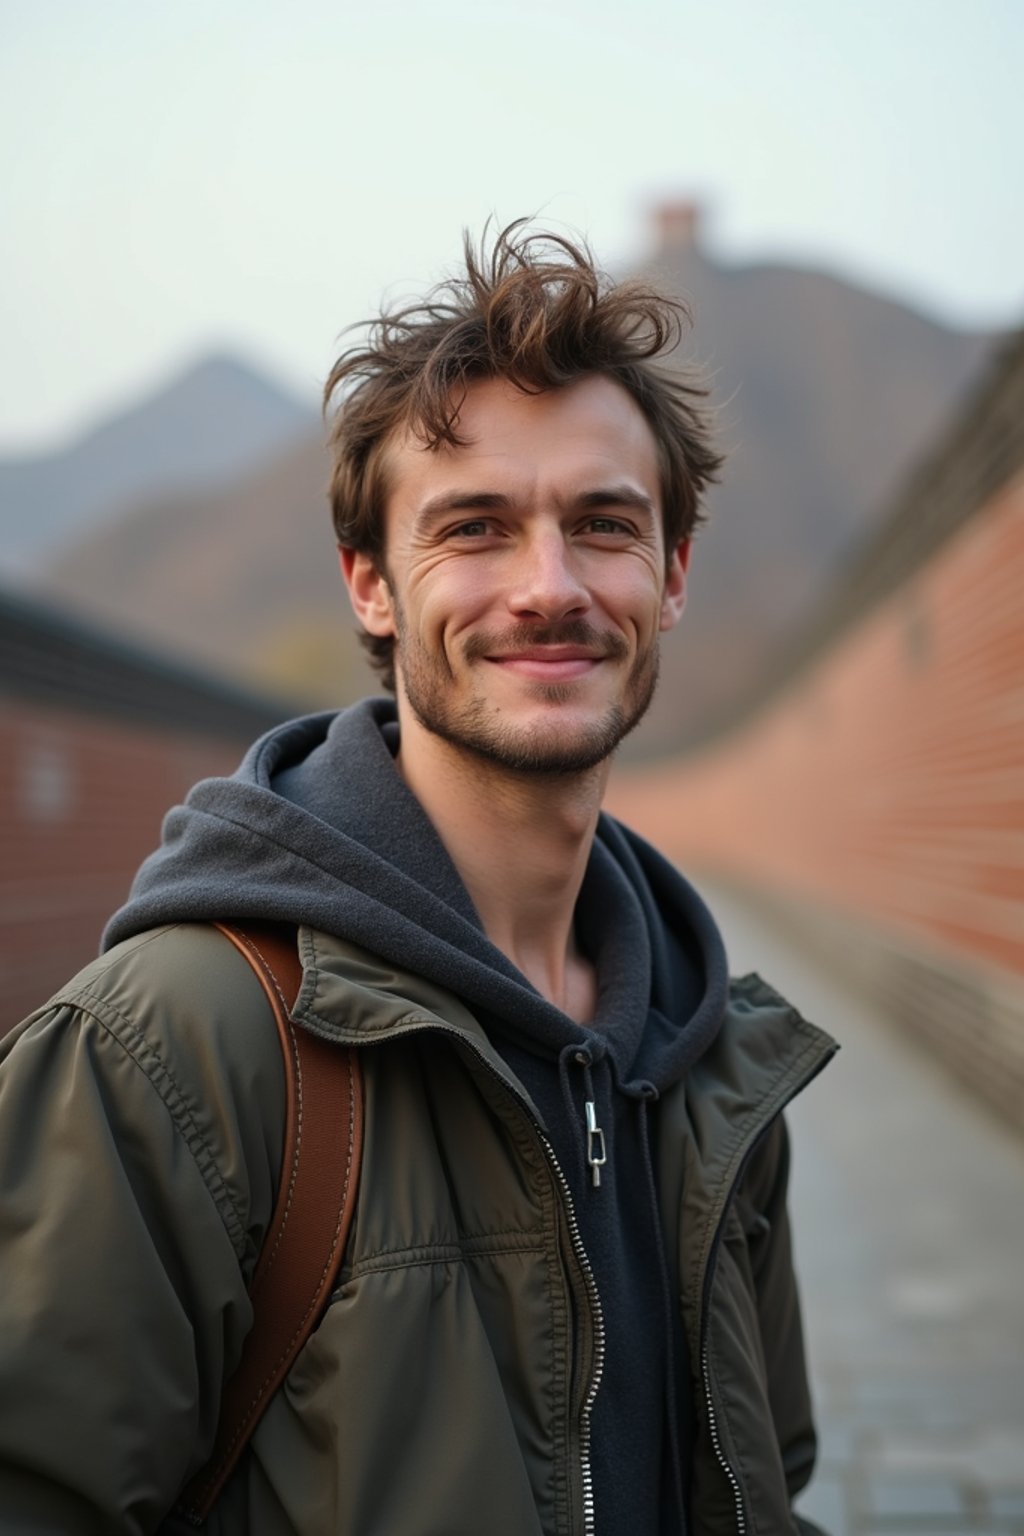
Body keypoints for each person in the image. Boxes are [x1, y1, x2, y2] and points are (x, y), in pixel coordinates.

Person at [0, 224, 835, 1535]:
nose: (549, 587)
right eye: (477, 529)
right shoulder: (169, 1050)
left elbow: (764, 1485)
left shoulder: (726, 1056)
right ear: (373, 587)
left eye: (603, 525)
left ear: (671, 575)